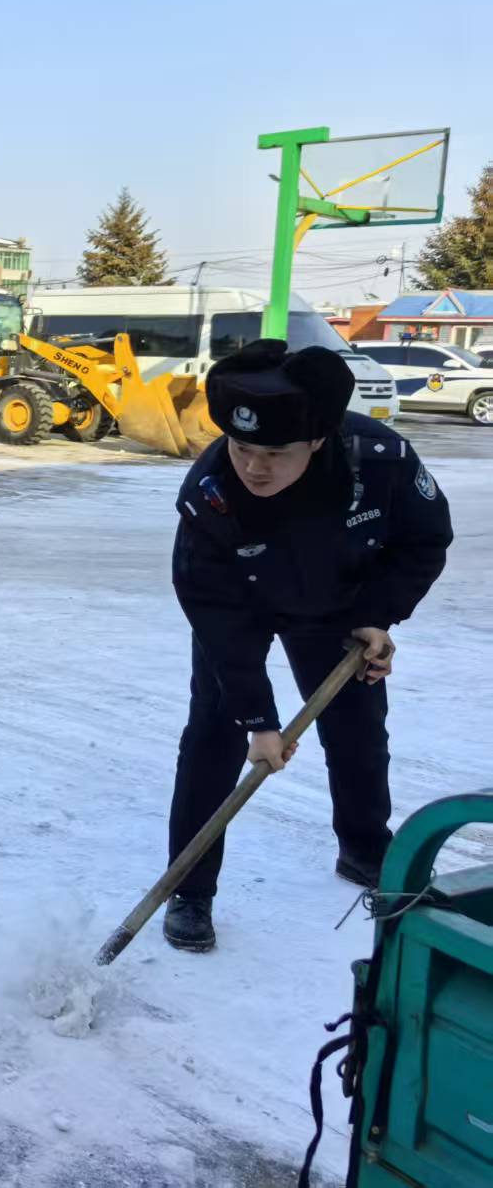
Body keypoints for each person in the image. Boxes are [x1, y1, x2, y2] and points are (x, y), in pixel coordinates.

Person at [164, 338, 452, 952]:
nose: (254, 467)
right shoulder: (210, 493)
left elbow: (424, 540)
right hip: (241, 602)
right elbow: (214, 613)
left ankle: (365, 849)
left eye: (275, 452)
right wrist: (259, 721)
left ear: (317, 441)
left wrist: (378, 616)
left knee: (357, 731)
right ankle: (191, 891)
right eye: (242, 448)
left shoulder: (379, 460)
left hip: (337, 607)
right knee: (213, 735)